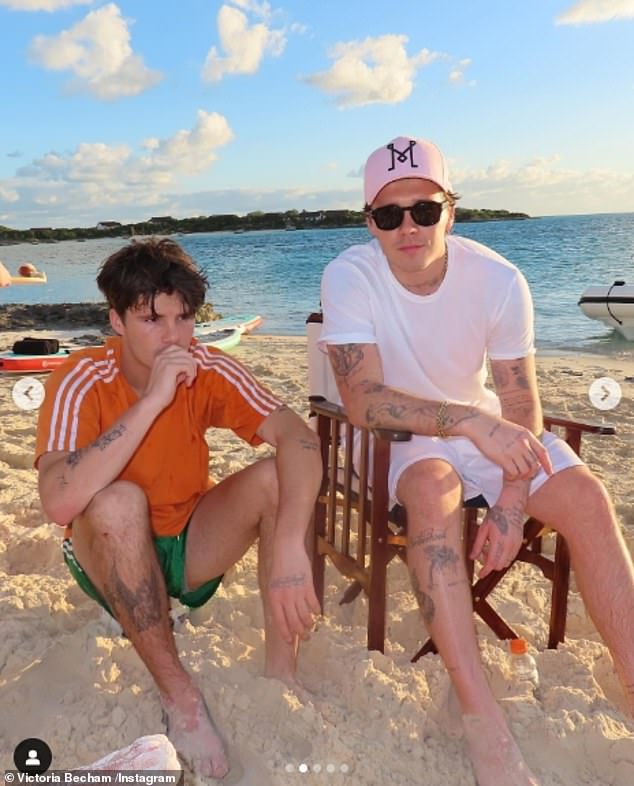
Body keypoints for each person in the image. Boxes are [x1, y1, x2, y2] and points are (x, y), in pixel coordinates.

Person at [319, 136, 634, 786]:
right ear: (369, 222)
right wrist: (467, 422)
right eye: (389, 214)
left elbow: (520, 399)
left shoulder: (498, 279)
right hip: (404, 438)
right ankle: (479, 712)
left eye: (425, 211)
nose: (409, 227)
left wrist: (513, 505)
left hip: (486, 426)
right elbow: (362, 400)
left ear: (451, 212)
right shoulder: (350, 275)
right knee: (434, 494)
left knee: (587, 497)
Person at [35, 238, 322, 779]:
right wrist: (152, 401)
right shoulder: (81, 377)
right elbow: (59, 501)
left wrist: (287, 546)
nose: (173, 336)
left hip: (188, 545)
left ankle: (282, 672)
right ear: (116, 320)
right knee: (119, 501)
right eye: (152, 319)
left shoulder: (208, 367)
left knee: (278, 478)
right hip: (107, 555)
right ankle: (180, 696)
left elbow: (300, 439)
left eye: (184, 318)